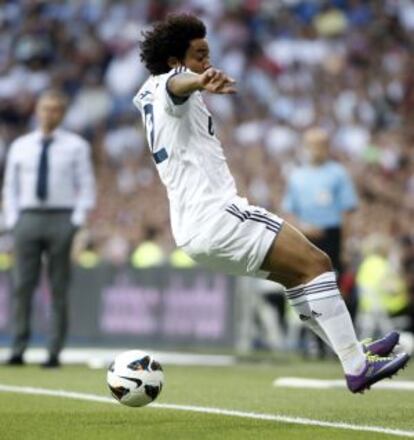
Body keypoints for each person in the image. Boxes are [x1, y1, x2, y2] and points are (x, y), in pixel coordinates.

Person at [134, 13, 409, 393]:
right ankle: (356, 365)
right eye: (199, 55)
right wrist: (197, 79)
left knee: (297, 277)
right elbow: (177, 85)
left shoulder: (147, 93)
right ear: (173, 60)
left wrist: (197, 77)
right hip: (218, 216)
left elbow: (175, 87)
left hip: (192, 230)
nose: (207, 62)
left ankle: (352, 354)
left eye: (208, 55)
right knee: (318, 264)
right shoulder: (170, 84)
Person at [2, 89, 96, 367]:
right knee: (22, 285)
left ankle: (54, 351)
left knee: (58, 286)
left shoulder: (77, 146)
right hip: (28, 217)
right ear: (37, 111)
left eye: (55, 109)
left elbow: (86, 185)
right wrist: (13, 221)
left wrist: (76, 221)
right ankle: (18, 347)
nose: (49, 113)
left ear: (63, 113)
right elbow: (10, 186)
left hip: (61, 217)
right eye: (45, 108)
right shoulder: (21, 145)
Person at [281, 127, 359, 357]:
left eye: (322, 144)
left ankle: (346, 346)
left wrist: (344, 246)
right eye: (314, 144)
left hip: (332, 237)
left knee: (338, 290)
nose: (318, 149)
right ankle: (313, 343)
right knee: (307, 289)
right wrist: (301, 229)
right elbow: (289, 212)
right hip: (305, 238)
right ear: (306, 147)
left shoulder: (337, 173)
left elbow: (347, 212)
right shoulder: (297, 176)